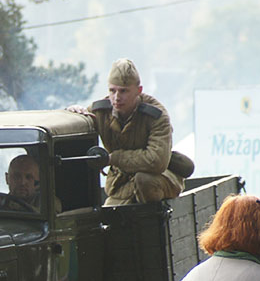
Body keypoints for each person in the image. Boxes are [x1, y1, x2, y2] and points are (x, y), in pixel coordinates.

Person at [68, 58, 188, 205]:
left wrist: (113, 158)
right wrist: (73, 113)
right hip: (121, 185)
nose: (117, 97)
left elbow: (156, 161)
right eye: (112, 91)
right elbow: (76, 128)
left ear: (139, 91)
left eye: (123, 91)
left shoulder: (156, 116)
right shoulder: (100, 112)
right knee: (108, 220)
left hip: (160, 179)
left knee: (144, 181)